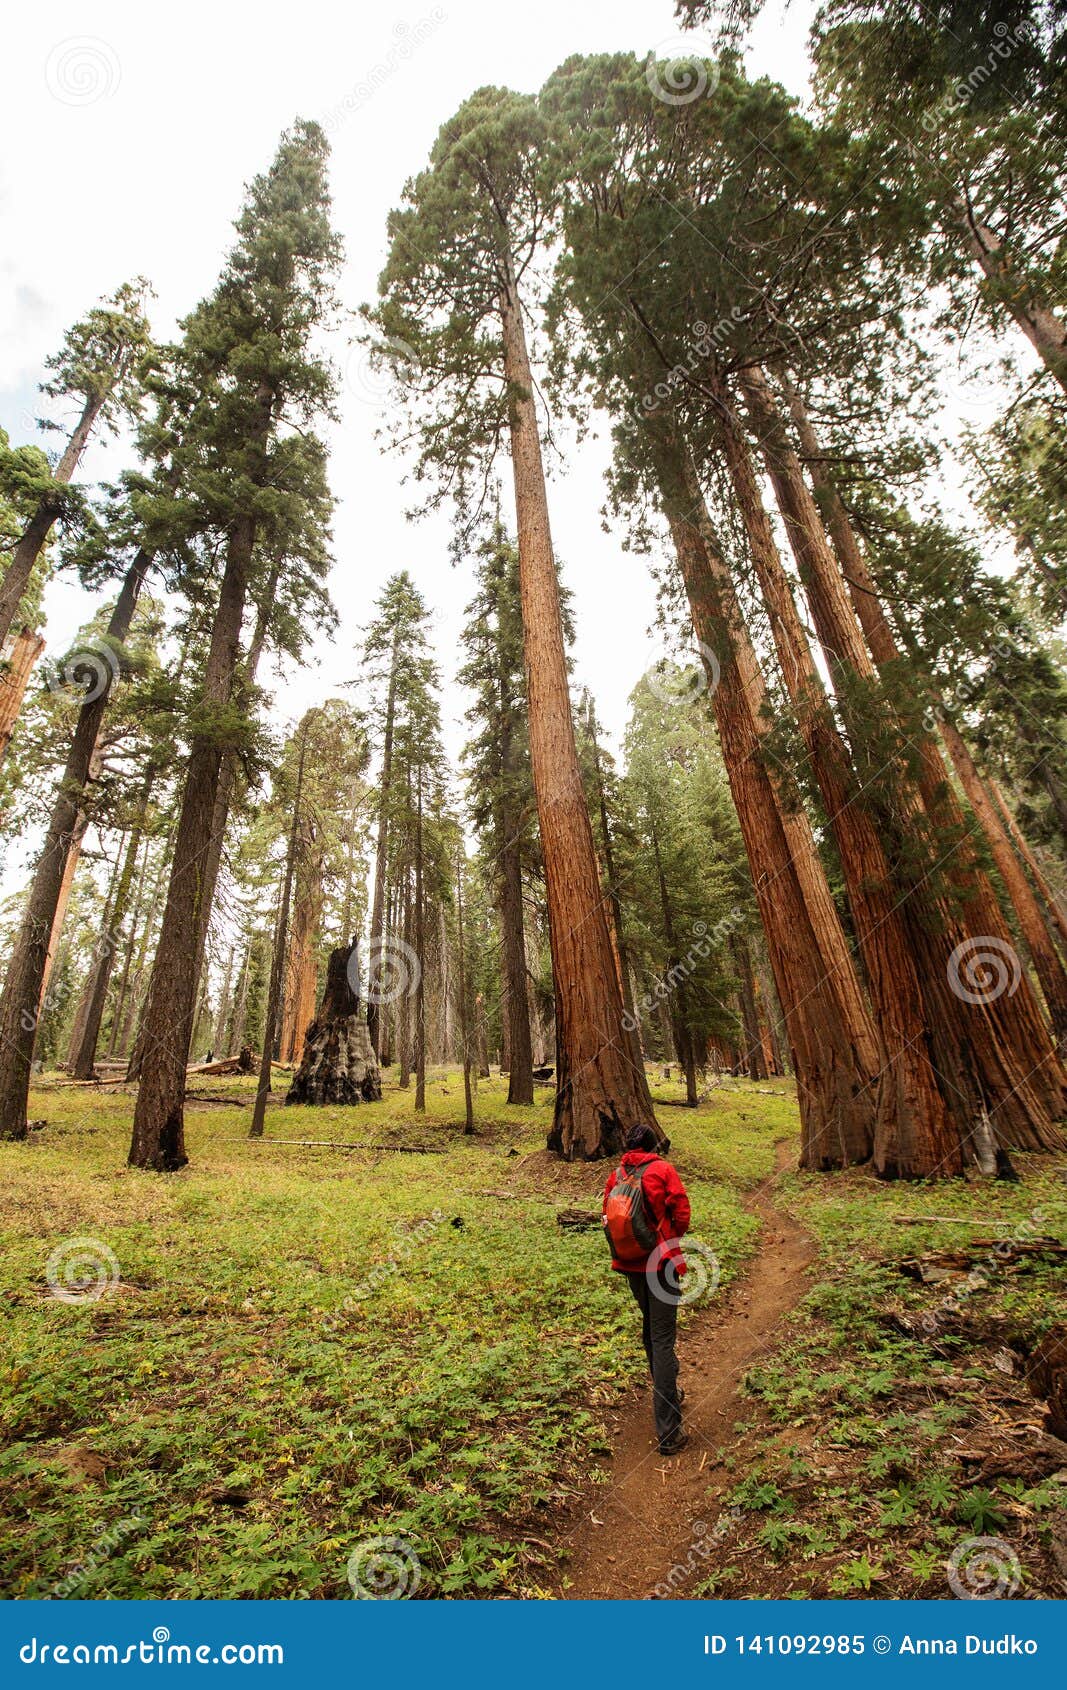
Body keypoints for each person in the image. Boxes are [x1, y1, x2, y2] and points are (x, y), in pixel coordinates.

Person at [602, 1123, 691, 1456]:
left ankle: (667, 1392)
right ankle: (669, 1431)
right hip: (662, 1264)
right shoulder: (662, 1170)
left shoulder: (617, 1174)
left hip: (630, 1265)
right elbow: (681, 1209)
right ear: (654, 1146)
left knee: (651, 1332)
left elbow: (607, 1214)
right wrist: (670, 1237)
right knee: (663, 1339)